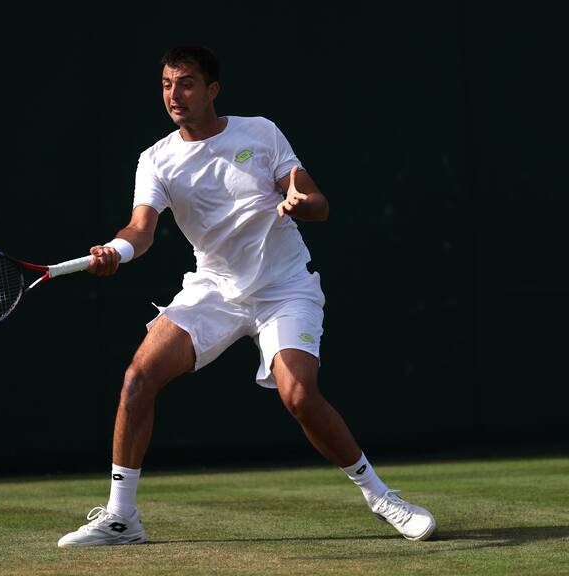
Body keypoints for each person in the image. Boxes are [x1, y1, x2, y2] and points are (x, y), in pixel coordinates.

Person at [57, 46, 436, 547]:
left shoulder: (260, 132)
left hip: (283, 286)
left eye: (187, 83)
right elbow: (141, 230)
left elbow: (317, 202)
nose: (175, 94)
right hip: (214, 289)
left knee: (299, 396)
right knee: (136, 380)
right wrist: (116, 251)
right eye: (168, 84)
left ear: (212, 90)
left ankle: (381, 496)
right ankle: (122, 517)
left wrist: (300, 203)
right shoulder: (156, 159)